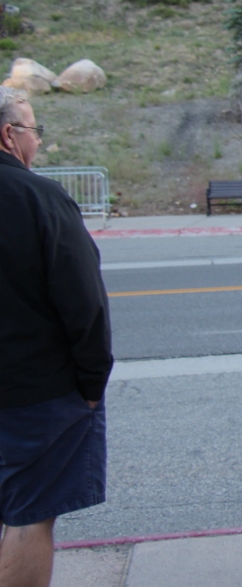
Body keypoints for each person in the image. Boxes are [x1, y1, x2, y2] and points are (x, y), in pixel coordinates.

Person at [0, 87, 113, 587]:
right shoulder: (39, 199)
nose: (39, 141)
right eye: (34, 130)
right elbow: (84, 303)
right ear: (9, 135)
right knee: (29, 514)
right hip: (34, 394)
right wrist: (92, 383)